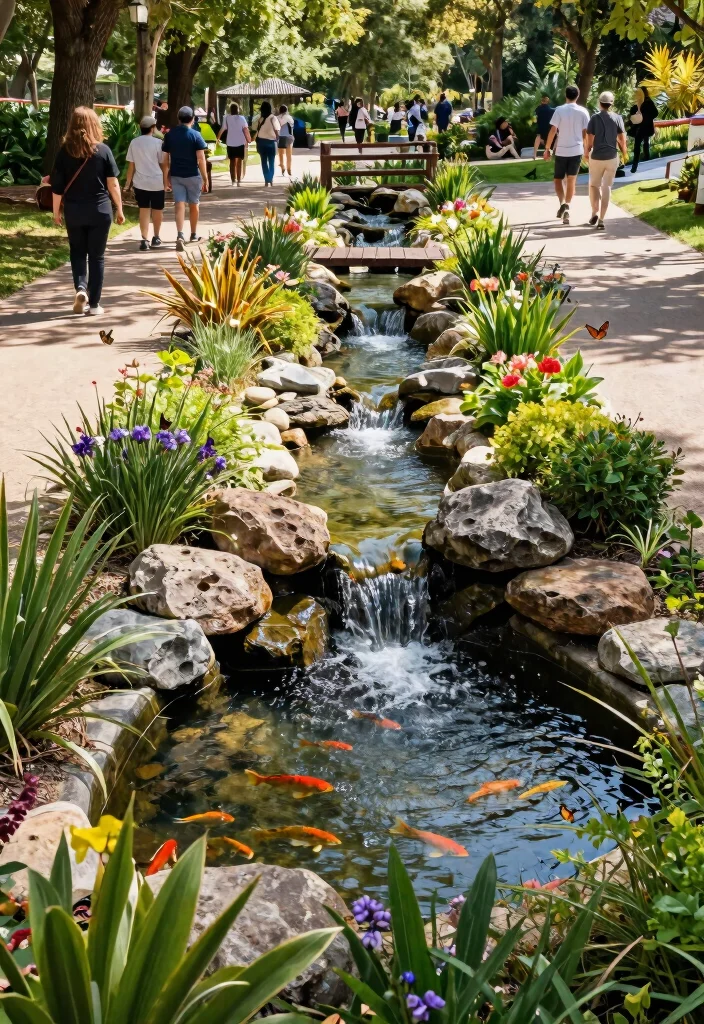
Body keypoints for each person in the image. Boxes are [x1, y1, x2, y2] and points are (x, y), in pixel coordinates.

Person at [50, 106, 124, 316]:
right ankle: (94, 305)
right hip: (100, 211)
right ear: (94, 125)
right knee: (97, 257)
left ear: (72, 125)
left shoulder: (64, 152)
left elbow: (57, 188)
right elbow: (113, 184)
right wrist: (119, 208)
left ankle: (81, 288)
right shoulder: (103, 150)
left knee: (77, 253)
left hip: (74, 211)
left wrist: (56, 213)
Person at [161, 105, 208, 251]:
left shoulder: (170, 135)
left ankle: (180, 234)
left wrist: (165, 178)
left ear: (178, 119)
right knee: (194, 204)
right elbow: (201, 159)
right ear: (192, 119)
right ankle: (193, 234)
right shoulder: (196, 135)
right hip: (193, 175)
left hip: (176, 175)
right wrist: (205, 178)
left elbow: (165, 160)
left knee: (179, 204)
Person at [543, 84, 590, 225]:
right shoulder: (583, 111)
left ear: (566, 95)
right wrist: (586, 149)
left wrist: (547, 148)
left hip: (562, 150)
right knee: (571, 180)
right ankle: (568, 206)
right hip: (576, 150)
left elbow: (553, 130)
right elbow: (585, 133)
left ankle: (562, 202)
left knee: (557, 180)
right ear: (578, 95)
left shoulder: (559, 110)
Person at [585, 90, 628, 231]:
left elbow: (589, 140)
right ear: (611, 103)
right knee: (607, 187)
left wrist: (586, 152)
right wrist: (624, 154)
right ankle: (602, 219)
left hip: (597, 157)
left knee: (594, 186)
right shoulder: (618, 118)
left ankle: (594, 211)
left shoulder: (594, 118)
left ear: (600, 103)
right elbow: (622, 139)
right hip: (612, 157)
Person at [124, 115, 166, 251]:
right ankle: (157, 236)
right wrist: (166, 181)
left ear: (140, 128)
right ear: (152, 128)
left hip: (140, 182)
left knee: (144, 210)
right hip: (157, 181)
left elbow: (131, 166)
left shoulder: (134, 142)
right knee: (157, 210)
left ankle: (144, 239)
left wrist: (127, 184)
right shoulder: (158, 143)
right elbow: (163, 164)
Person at [217, 102, 250, 186]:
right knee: (239, 161)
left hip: (230, 142)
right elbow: (246, 129)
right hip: (240, 142)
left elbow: (223, 129)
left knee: (232, 162)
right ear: (238, 110)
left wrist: (217, 138)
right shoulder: (242, 118)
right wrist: (248, 140)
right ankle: (239, 179)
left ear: (230, 110)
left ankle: (233, 180)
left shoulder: (226, 118)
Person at [629, 86, 658, 173]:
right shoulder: (647, 102)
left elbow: (632, 113)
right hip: (646, 127)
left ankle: (635, 164)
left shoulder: (639, 102)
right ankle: (646, 157)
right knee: (644, 141)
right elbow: (655, 113)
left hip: (641, 127)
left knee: (637, 145)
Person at [253, 100, 280, 186]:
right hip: (271, 142)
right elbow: (277, 130)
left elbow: (256, 129)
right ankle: (270, 179)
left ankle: (266, 179)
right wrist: (277, 139)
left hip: (261, 142)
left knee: (263, 161)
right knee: (271, 161)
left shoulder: (260, 119)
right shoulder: (273, 118)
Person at [533, 93, 555, 159]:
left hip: (540, 125)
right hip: (548, 126)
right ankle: (549, 153)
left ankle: (534, 154)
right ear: (547, 102)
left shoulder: (538, 109)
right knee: (548, 139)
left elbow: (535, 117)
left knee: (538, 138)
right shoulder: (550, 109)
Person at [277, 104, 295, 176]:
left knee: (280, 154)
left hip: (280, 137)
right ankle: (289, 169)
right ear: (287, 110)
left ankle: (282, 166)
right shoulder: (289, 118)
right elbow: (292, 126)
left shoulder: (277, 118)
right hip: (289, 137)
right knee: (289, 155)